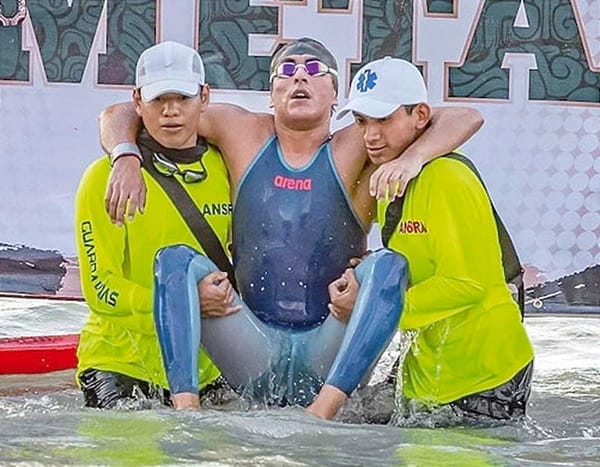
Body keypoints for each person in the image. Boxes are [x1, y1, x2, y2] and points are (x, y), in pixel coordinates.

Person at [99, 38, 484, 419]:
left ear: (337, 95)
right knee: (174, 260)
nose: (300, 76)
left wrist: (413, 158)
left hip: (328, 347)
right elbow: (124, 112)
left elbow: (464, 116)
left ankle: (324, 411)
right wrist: (125, 156)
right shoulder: (240, 131)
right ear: (271, 93)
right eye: (287, 70)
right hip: (252, 348)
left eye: (314, 69)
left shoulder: (357, 145)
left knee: (389, 265)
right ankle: (187, 412)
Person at [336, 56, 534, 420]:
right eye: (362, 121)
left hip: (482, 377)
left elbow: (466, 283)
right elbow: (416, 265)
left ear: (420, 116)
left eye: (384, 118)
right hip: (430, 375)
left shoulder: (446, 179)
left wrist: (373, 308)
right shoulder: (390, 178)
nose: (370, 135)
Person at [74, 41, 231, 408]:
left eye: (183, 98)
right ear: (138, 101)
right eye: (159, 100)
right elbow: (101, 292)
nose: (171, 112)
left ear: (204, 97)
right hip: (120, 363)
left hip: (205, 370)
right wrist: (187, 303)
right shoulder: (104, 178)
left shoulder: (228, 168)